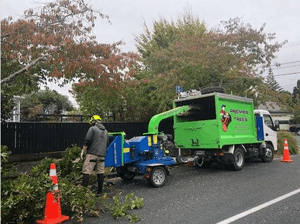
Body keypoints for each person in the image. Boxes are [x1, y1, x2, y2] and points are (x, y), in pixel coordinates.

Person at [81, 115, 109, 195]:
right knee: (100, 173)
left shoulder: (92, 129)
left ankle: (83, 193)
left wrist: (83, 151)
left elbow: (87, 140)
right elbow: (107, 144)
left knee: (86, 171)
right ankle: (100, 191)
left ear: (94, 121)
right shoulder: (106, 131)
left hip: (92, 154)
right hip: (102, 155)